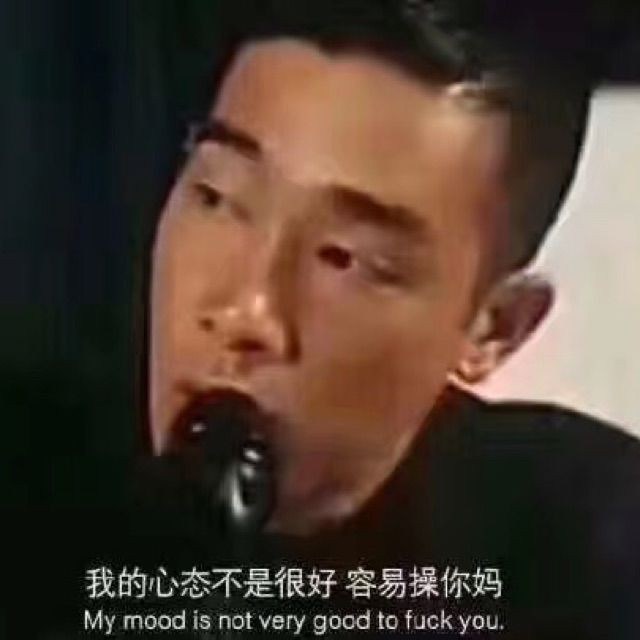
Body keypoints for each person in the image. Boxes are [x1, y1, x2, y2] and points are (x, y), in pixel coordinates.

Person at [144, 1, 640, 637]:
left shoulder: (593, 554)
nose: (248, 311)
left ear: (493, 329)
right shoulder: (36, 472)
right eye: (218, 197)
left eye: (345, 258)